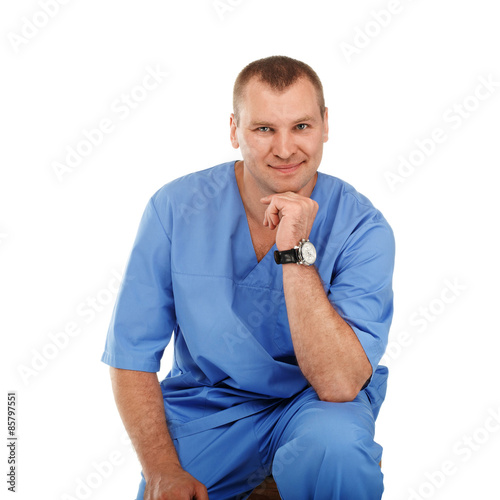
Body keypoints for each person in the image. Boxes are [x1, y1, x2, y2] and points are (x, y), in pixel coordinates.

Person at [101, 55, 395, 500]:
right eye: (263, 129)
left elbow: (338, 384)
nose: (284, 148)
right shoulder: (177, 209)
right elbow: (132, 355)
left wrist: (294, 250)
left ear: (326, 125)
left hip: (313, 407)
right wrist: (161, 469)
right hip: (209, 412)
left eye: (301, 127)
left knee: (336, 450)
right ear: (234, 129)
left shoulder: (362, 227)